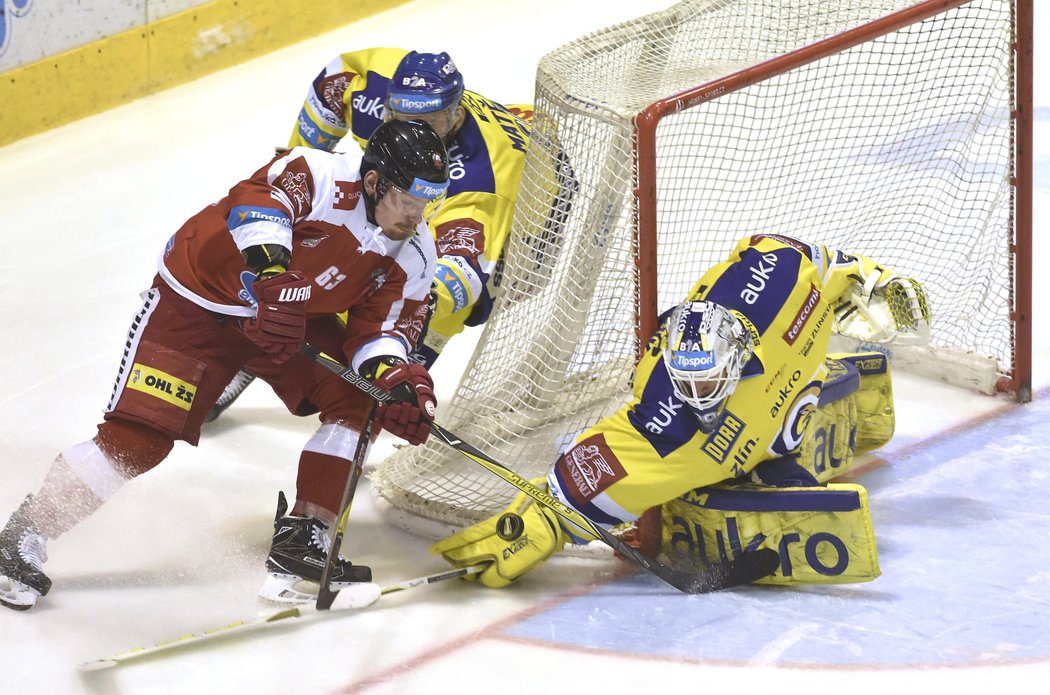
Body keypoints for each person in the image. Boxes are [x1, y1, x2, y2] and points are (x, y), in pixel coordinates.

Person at [0, 119, 451, 611]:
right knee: (138, 441)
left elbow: (380, 332)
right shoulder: (319, 173)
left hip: (289, 322)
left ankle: (302, 545)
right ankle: (22, 536)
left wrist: (397, 381)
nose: (415, 215)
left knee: (360, 401)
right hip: (197, 308)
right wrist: (273, 274)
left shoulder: (414, 254)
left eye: (425, 203)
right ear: (372, 182)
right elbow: (257, 202)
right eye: (407, 199)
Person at [432, 233, 931, 588]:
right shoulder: (666, 411)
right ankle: (767, 461)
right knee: (722, 454)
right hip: (737, 432)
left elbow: (802, 255)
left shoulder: (779, 283)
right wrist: (544, 518)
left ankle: (779, 447)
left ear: (737, 354)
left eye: (711, 382)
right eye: (688, 384)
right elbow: (605, 460)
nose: (701, 397)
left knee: (784, 425)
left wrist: (877, 283)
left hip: (791, 382)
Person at [207, 48, 545, 420]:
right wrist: (300, 162)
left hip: (535, 212)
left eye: (429, 121)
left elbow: (457, 275)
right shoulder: (373, 90)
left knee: (436, 306)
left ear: (456, 116)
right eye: (402, 117)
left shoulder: (481, 189)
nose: (413, 130)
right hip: (457, 169)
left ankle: (374, 401)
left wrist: (396, 315)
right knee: (322, 231)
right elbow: (334, 84)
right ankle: (249, 360)